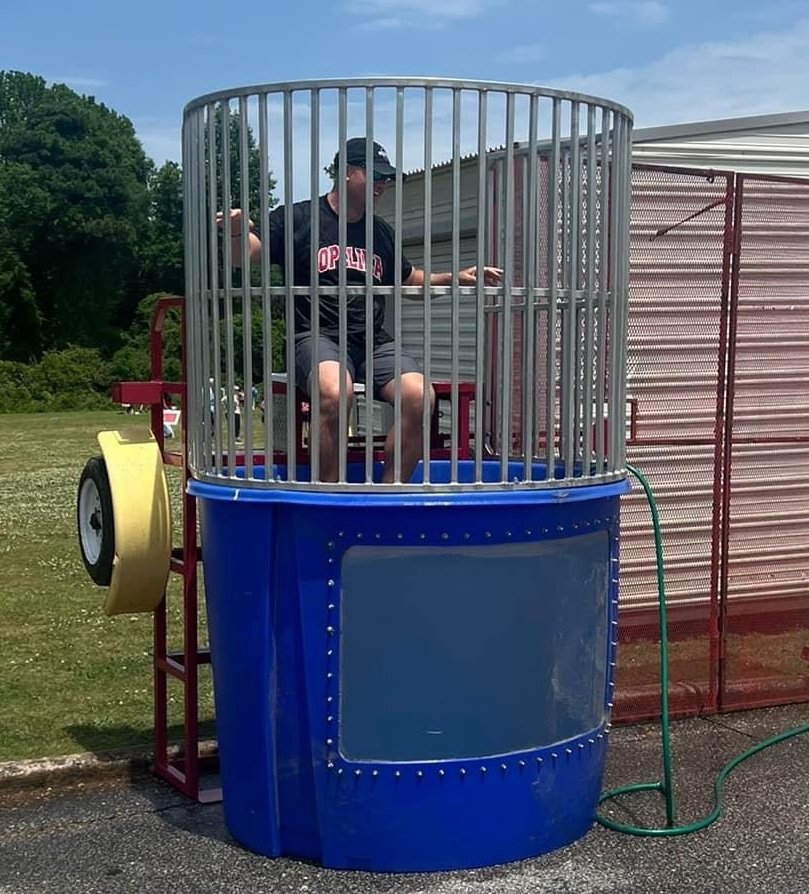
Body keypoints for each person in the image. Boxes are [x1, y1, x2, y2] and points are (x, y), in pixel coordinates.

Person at [223, 137, 502, 483]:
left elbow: (408, 280)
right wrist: (236, 232)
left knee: (419, 395)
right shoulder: (299, 217)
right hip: (316, 335)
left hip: (371, 340)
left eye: (386, 177)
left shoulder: (380, 232)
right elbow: (245, 257)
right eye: (375, 174)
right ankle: (330, 495)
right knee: (334, 392)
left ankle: (390, 492)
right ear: (347, 173)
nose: (382, 184)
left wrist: (455, 278)